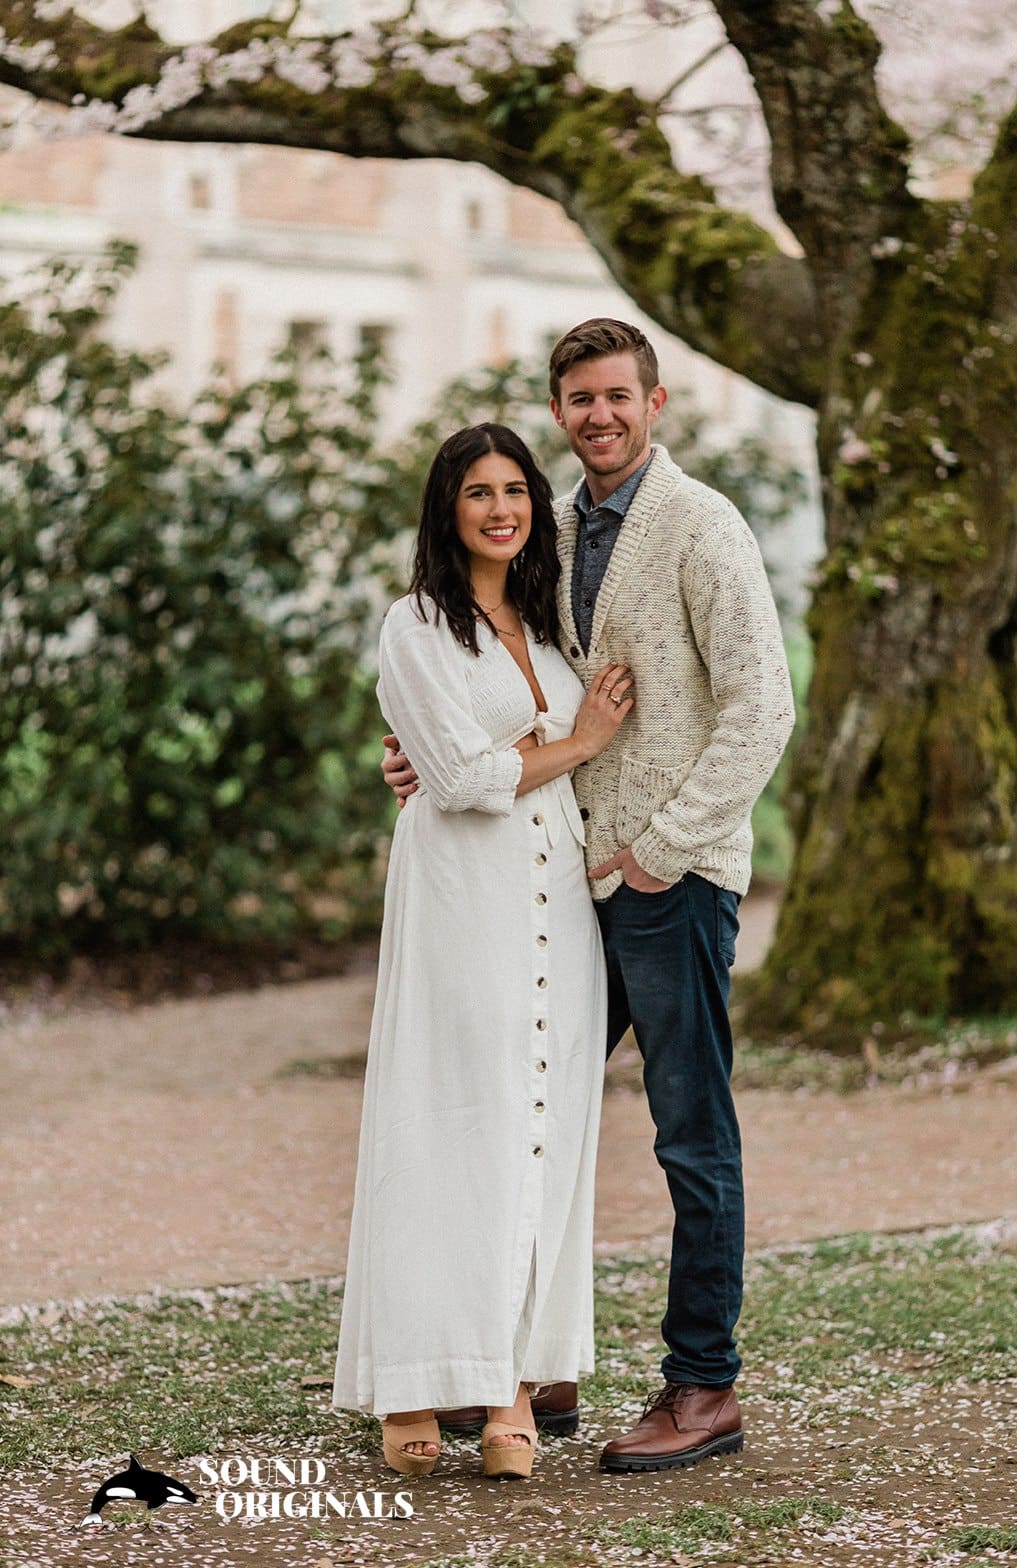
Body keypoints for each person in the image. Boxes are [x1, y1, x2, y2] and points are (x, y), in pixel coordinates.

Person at [383, 319, 796, 1473]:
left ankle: (702, 1384)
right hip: (562, 884)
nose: (598, 415)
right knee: (539, 1110)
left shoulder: (701, 525)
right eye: (579, 398)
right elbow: (510, 683)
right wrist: (424, 753)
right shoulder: (552, 528)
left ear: (654, 403)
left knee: (689, 1130)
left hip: (667, 881)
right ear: (559, 409)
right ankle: (530, 1355)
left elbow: (761, 709)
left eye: (618, 395)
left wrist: (662, 849)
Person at [332, 422, 634, 1480]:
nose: (500, 509)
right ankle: (412, 1380)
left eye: (515, 490)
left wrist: (528, 751)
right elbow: (458, 780)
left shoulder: (549, 627)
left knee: (538, 1133)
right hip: (462, 897)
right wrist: (573, 742)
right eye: (478, 492)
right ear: (446, 508)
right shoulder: (415, 626)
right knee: (445, 1121)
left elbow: (483, 760)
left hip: (557, 897)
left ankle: (509, 1382)